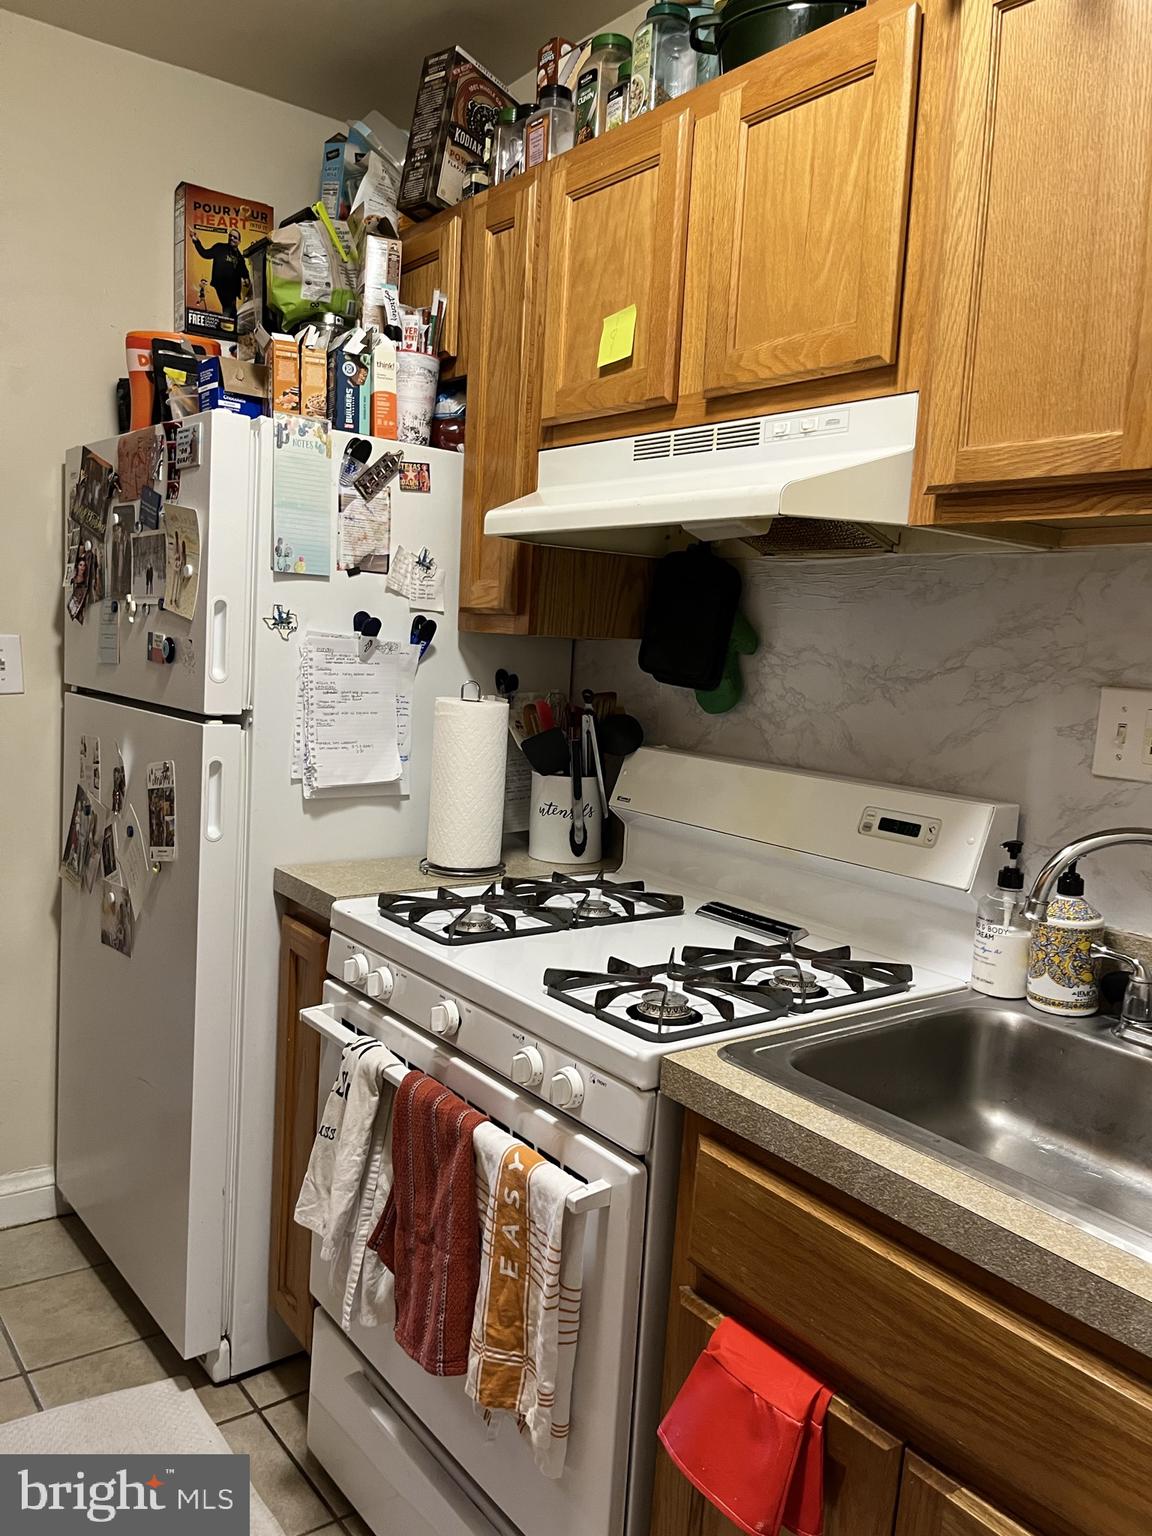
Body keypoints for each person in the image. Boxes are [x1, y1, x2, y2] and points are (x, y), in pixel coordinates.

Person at [191, 227, 248, 321]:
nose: (232, 238)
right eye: (230, 236)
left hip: (233, 289)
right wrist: (196, 241)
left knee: (232, 310)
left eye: (235, 237)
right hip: (221, 285)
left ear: (239, 241)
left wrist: (246, 278)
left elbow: (243, 270)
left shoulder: (239, 257)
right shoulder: (220, 247)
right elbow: (205, 254)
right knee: (229, 307)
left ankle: (229, 329)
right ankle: (225, 327)